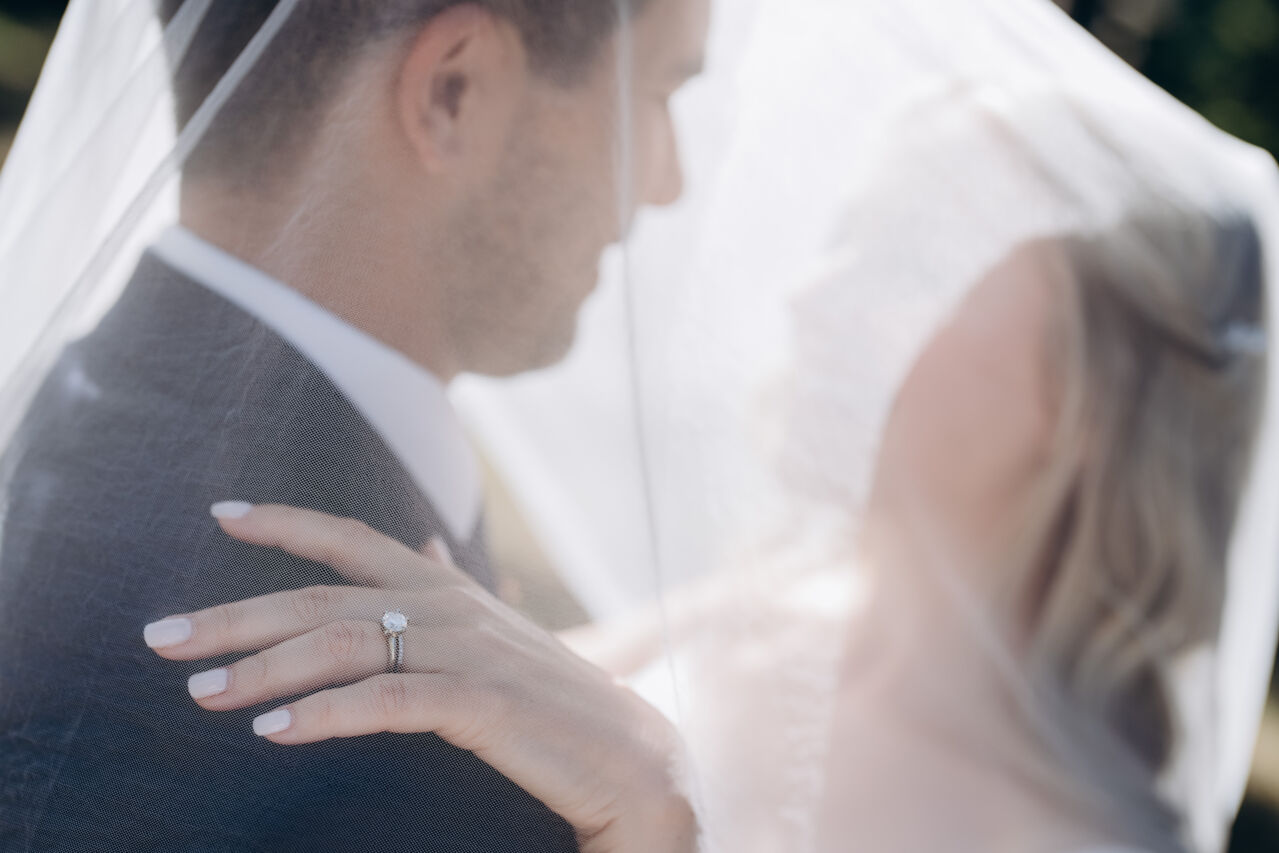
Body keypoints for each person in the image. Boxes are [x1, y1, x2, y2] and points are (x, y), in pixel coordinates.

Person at [142, 93, 1273, 853]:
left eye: (914, 261)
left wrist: (656, 825)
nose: (813, 294)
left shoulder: (1077, 833)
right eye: (854, 233)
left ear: (1083, 402)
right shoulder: (774, 607)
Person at [0, 1, 708, 850]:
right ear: (451, 92)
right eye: (655, 92)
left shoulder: (78, 406)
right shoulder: (398, 769)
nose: (668, 183)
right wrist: (654, 809)